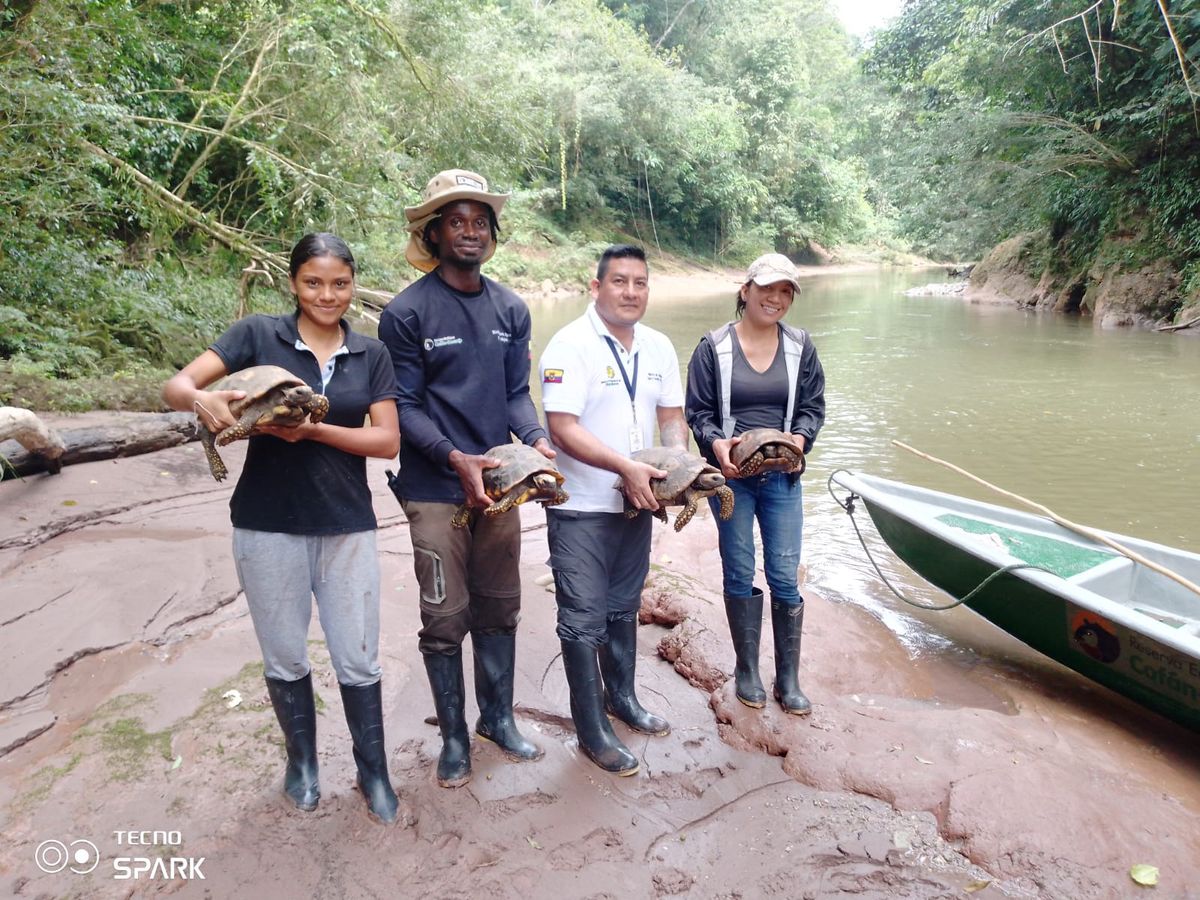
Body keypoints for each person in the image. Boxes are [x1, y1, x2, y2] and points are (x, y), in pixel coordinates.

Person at [162, 233, 402, 823]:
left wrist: (314, 431)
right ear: (293, 283)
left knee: (358, 656)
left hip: (347, 526)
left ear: (352, 285)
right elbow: (176, 387)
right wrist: (203, 402)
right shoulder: (257, 336)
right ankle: (302, 765)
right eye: (314, 282)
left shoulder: (371, 354)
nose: (328, 294)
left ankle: (374, 773)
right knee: (285, 655)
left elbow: (387, 440)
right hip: (266, 524)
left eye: (340, 283)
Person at [378, 169, 550, 789]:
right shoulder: (406, 313)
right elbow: (404, 405)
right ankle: (454, 737)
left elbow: (513, 395)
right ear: (434, 233)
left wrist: (534, 440)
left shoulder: (510, 308)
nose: (470, 232)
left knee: (500, 607)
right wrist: (455, 457)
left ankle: (497, 719)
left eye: (480, 221)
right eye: (457, 221)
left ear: (492, 234)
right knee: (445, 615)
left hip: (501, 485)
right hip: (434, 489)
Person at [539, 244, 686, 776]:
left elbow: (671, 417)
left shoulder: (658, 346)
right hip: (580, 505)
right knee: (582, 618)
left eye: (640, 283)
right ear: (595, 288)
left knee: (624, 606)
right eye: (619, 281)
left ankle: (620, 698)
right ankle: (590, 729)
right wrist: (624, 467)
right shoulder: (569, 345)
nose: (630, 292)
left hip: (636, 502)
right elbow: (563, 428)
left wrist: (677, 468)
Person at [684, 252, 825, 716]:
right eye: (768, 289)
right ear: (745, 290)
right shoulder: (713, 347)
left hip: (783, 477)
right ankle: (748, 669)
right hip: (734, 481)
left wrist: (800, 440)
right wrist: (716, 446)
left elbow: (812, 407)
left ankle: (788, 678)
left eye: (786, 291)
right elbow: (699, 413)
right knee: (739, 568)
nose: (777, 299)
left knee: (785, 573)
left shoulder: (801, 346)